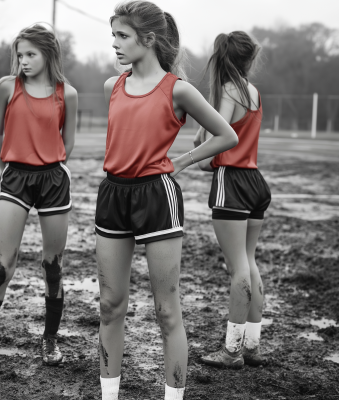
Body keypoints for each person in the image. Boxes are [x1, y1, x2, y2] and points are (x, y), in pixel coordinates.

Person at [95, 2, 239, 399]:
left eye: (122, 36)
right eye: (114, 36)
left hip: (157, 197)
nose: (115, 44)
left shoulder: (178, 89)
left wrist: (183, 162)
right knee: (110, 305)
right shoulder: (113, 86)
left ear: (149, 39)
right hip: (112, 195)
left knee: (166, 311)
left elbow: (227, 135)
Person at [0, 24, 78, 366]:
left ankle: (50, 341)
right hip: (16, 179)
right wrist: (8, 166)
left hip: (54, 181)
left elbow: (67, 141)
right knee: (3, 266)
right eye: (20, 54)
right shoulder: (6, 87)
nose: (23, 61)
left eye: (31, 54)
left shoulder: (65, 93)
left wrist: (57, 166)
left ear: (48, 54)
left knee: (52, 266)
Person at [195, 31, 271, 369]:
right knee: (249, 262)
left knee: (238, 267)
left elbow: (220, 137)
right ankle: (251, 345)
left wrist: (195, 158)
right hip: (255, 181)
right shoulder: (251, 91)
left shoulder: (227, 90)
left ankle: (232, 351)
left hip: (233, 182)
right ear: (249, 59)